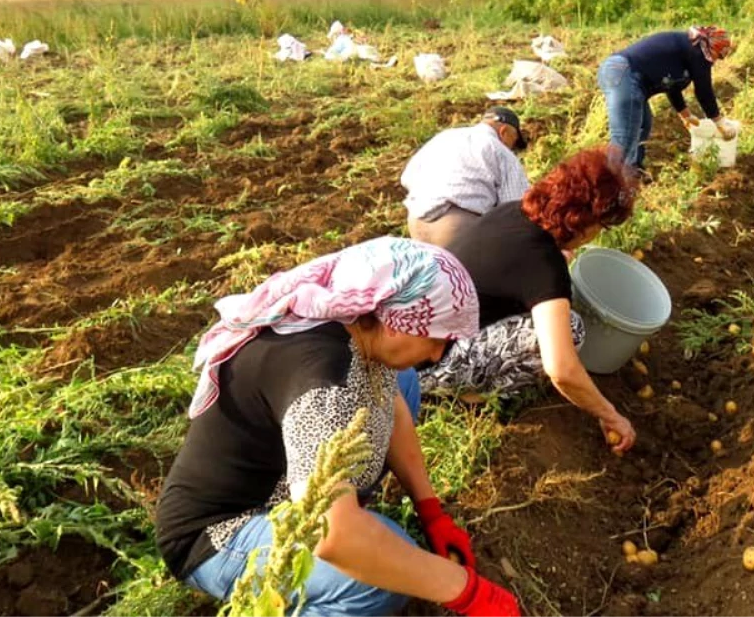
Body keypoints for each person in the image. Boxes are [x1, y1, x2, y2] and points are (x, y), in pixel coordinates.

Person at [156, 237, 520, 616]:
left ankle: (349, 501)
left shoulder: (350, 326)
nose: (436, 354)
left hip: (289, 480)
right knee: (374, 579)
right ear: (397, 323)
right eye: (437, 340)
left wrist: (431, 511)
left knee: (405, 381)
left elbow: (392, 407)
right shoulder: (324, 386)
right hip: (221, 531)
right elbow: (336, 537)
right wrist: (467, 591)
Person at [422, 147, 641, 456]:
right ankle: (466, 396)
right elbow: (562, 369)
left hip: (413, 345)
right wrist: (610, 414)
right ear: (583, 222)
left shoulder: (512, 212)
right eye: (600, 228)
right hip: (429, 366)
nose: (597, 235)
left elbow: (518, 265)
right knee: (572, 330)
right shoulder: (542, 264)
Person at [595, 26, 735, 173]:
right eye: (719, 56)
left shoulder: (689, 48)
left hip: (621, 72)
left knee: (643, 124)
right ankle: (612, 183)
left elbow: (671, 84)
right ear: (713, 47)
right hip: (624, 73)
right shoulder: (698, 52)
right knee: (625, 137)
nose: (715, 61)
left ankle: (632, 172)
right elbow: (704, 91)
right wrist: (719, 122)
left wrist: (685, 114)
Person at [401, 107, 529, 248]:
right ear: (503, 131)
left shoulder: (445, 137)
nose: (512, 149)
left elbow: (406, 177)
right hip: (457, 230)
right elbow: (515, 210)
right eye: (514, 142)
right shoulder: (500, 151)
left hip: (416, 225)